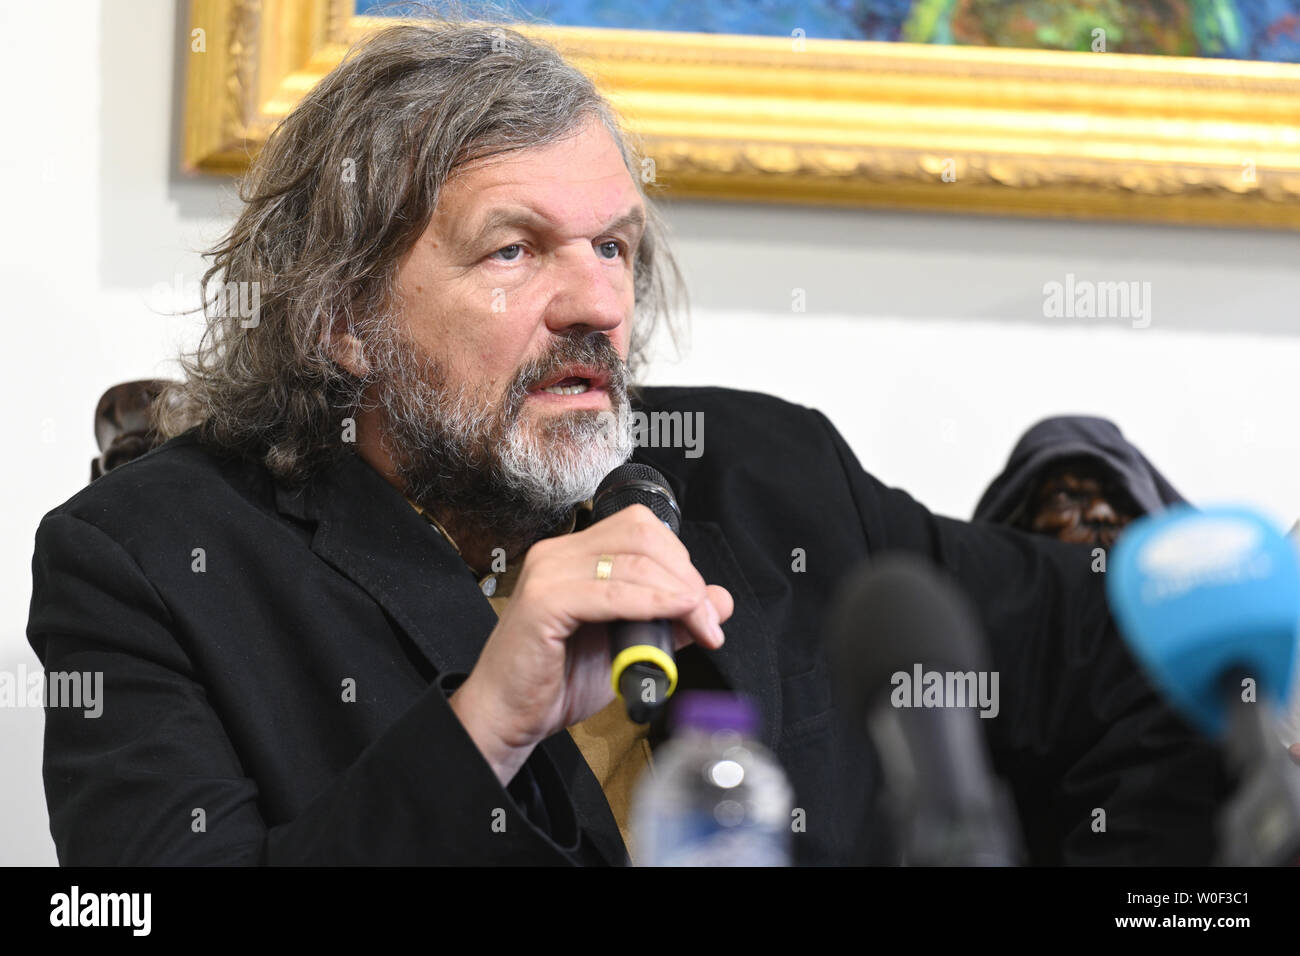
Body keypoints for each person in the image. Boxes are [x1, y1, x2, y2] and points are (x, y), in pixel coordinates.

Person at [26, 18, 1226, 866]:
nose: (598, 302)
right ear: (342, 318)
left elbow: (1151, 657)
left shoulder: (772, 475)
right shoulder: (151, 565)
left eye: (613, 245)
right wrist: (483, 725)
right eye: (514, 248)